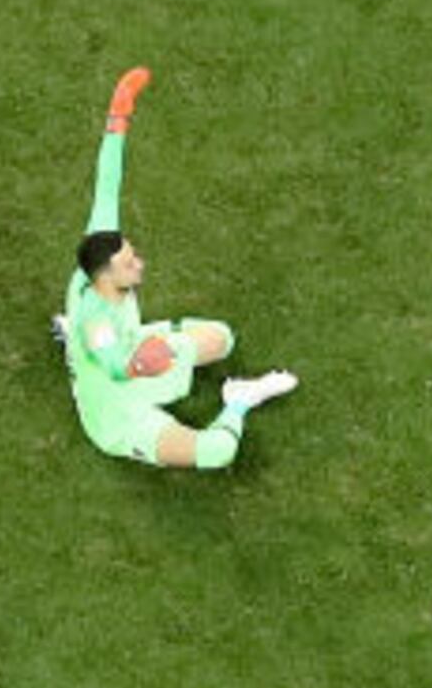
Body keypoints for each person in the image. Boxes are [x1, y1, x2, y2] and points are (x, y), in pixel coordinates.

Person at [62, 67, 294, 470]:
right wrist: (138, 363)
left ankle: (72, 348)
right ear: (104, 277)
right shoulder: (96, 326)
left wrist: (118, 117)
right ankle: (237, 401)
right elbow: (115, 363)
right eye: (129, 263)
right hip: (119, 416)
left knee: (222, 340)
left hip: (135, 344)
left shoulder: (99, 251)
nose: (140, 263)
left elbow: (107, 183)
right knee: (217, 452)